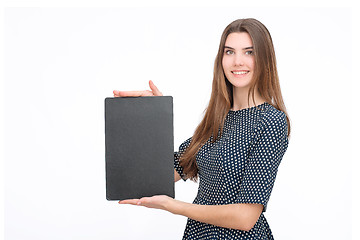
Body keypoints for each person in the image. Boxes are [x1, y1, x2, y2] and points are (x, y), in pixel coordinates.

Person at [114, 18, 290, 239]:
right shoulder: (216, 120)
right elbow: (160, 176)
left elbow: (246, 217)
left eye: (249, 52)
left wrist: (175, 206)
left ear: (265, 59)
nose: (237, 61)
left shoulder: (271, 121)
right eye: (229, 52)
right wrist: (152, 117)